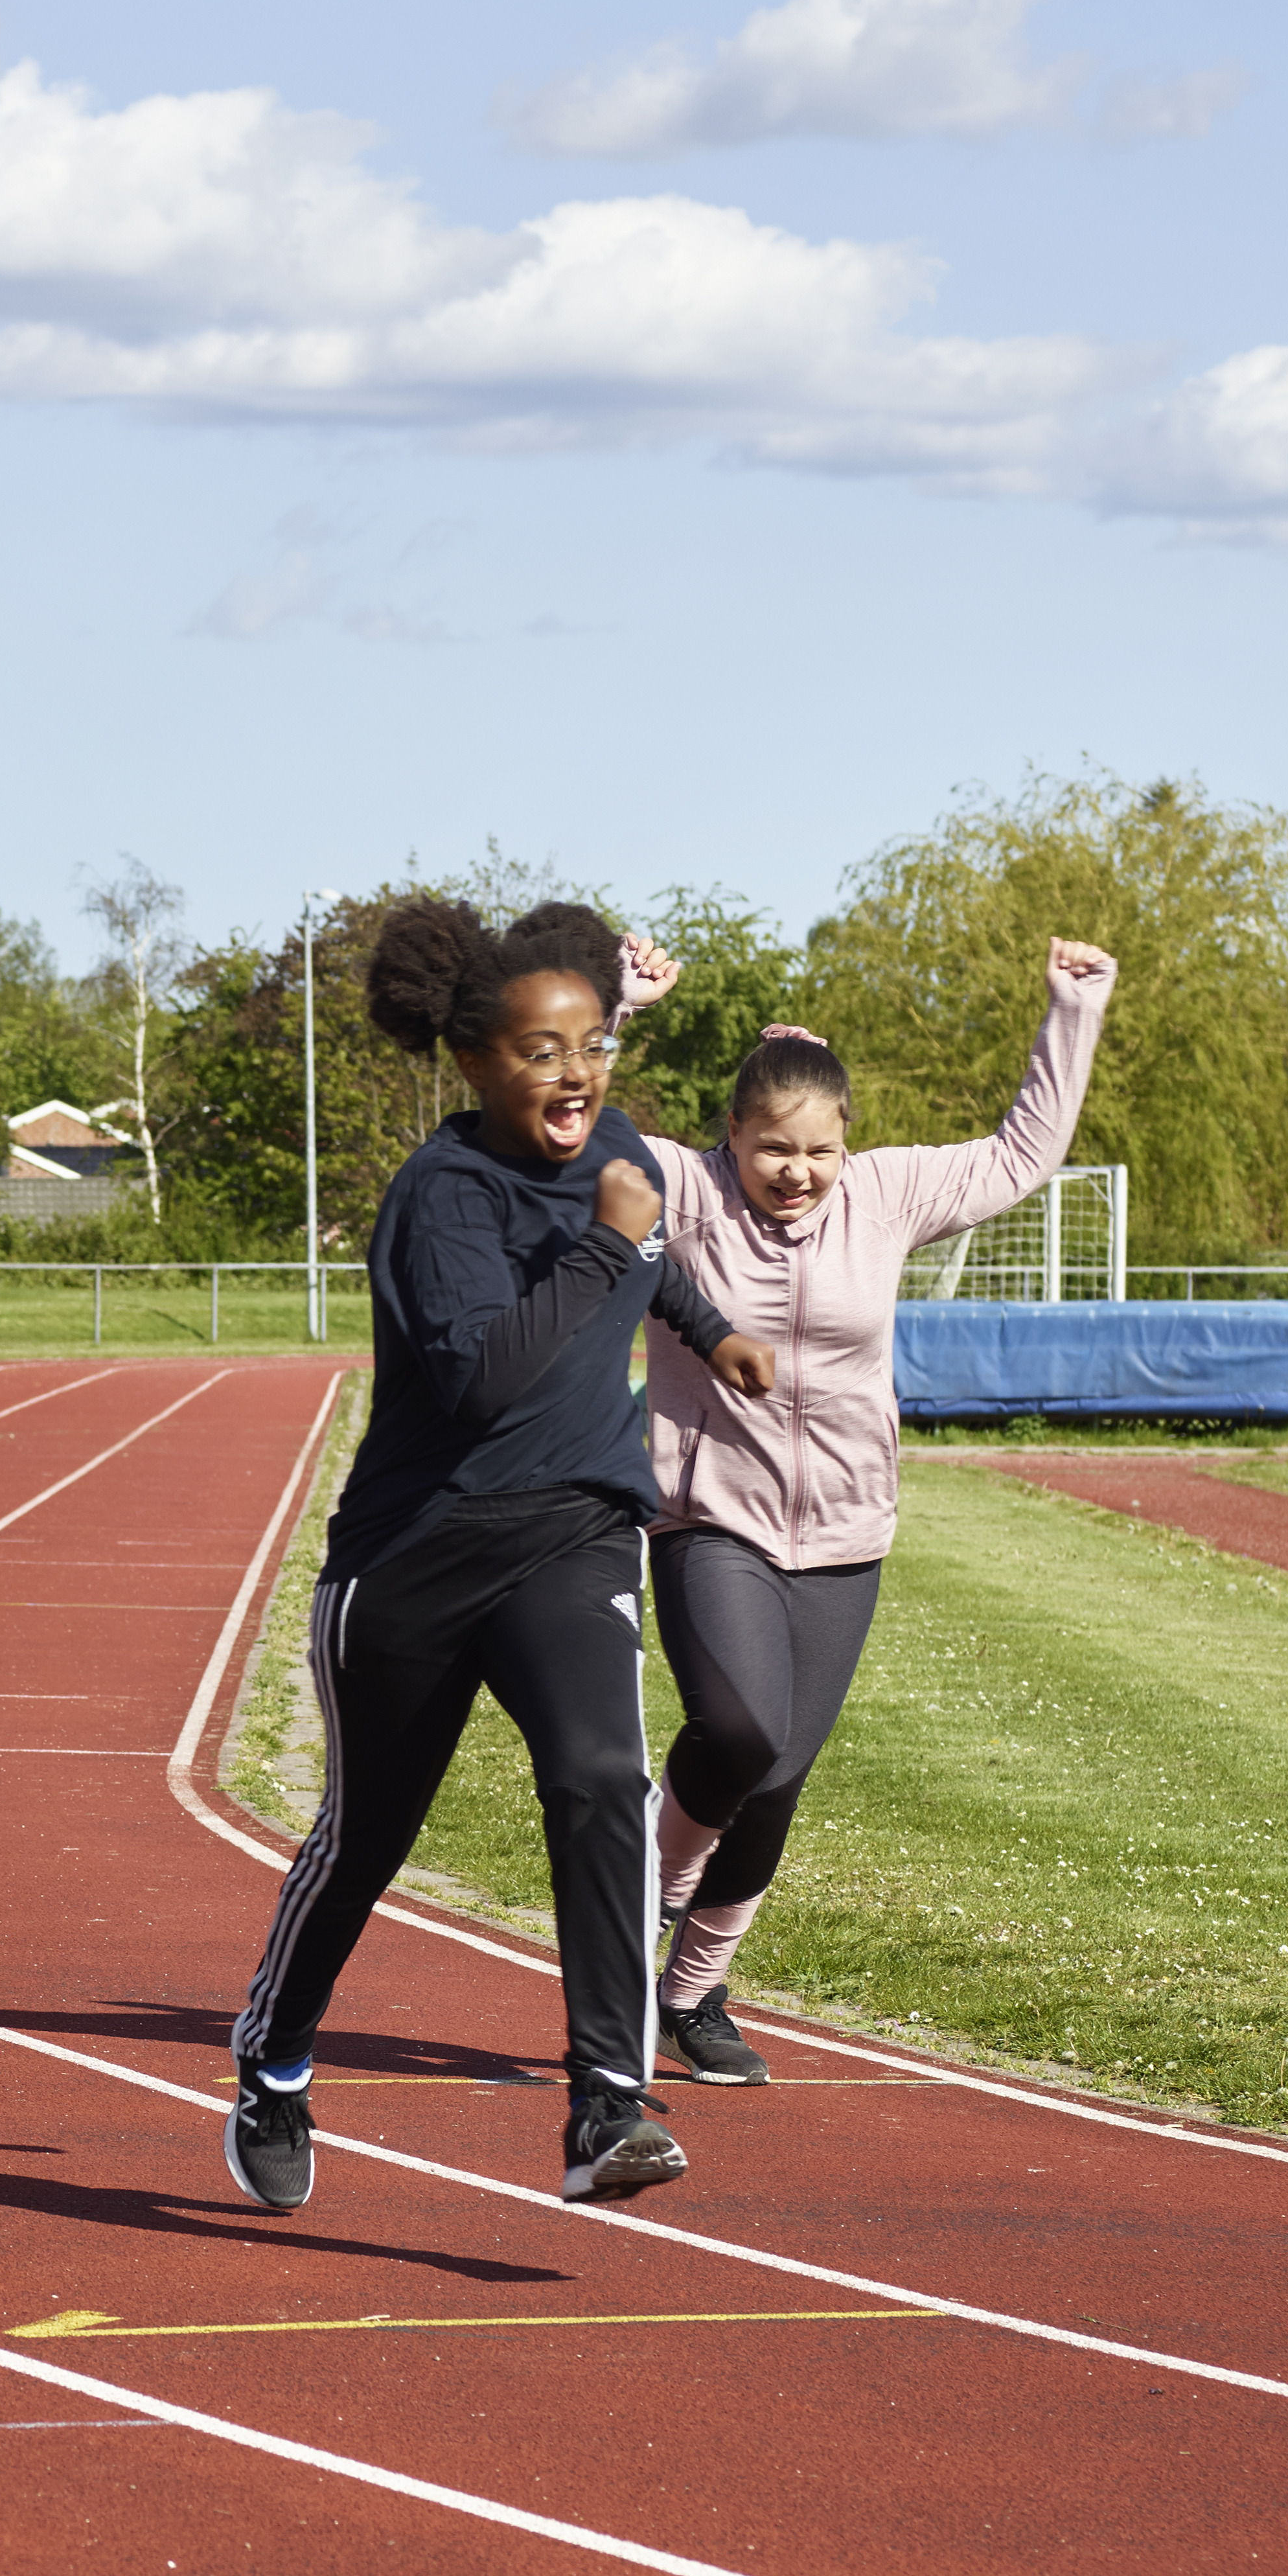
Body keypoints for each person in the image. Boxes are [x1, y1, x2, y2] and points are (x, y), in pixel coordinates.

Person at [224, 900, 748, 2215]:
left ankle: (603, 2105)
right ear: (473, 1061)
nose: (571, 1075)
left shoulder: (615, 1145)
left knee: (599, 1774)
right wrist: (608, 1242)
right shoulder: (437, 1197)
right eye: (537, 1052)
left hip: (572, 1527)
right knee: (365, 1837)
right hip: (414, 1555)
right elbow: (481, 1384)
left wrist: (707, 1323)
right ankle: (274, 2059)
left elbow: (641, 1264)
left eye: (589, 1048)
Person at [615, 937, 1113, 2084]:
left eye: (819, 1153)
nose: (797, 1174)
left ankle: (692, 1991)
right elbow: (566, 1128)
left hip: (845, 1530)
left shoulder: (884, 1196)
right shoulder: (682, 1192)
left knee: (780, 1772)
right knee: (735, 1732)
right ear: (730, 1138)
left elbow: (1023, 1152)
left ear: (849, 1144)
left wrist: (1071, 1014)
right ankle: (636, 1901)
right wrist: (622, 1008)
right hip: (712, 1515)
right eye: (773, 1151)